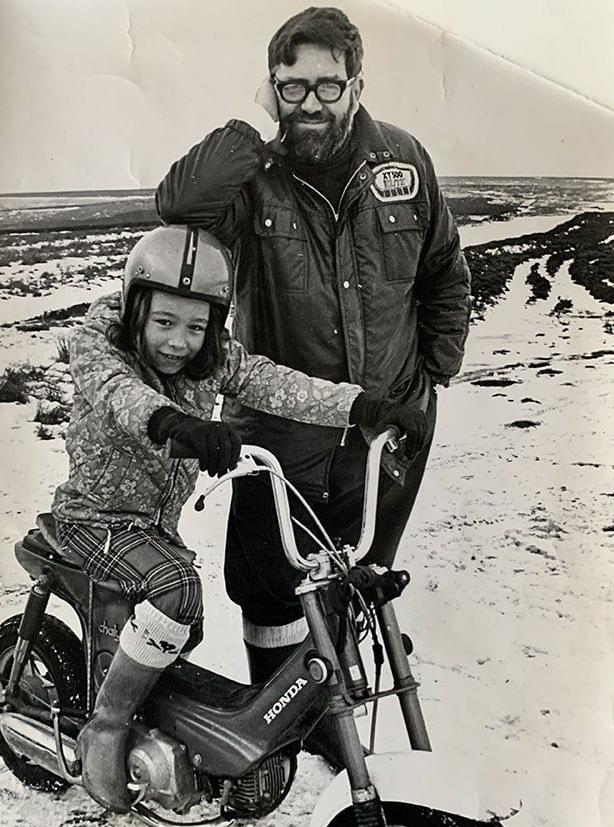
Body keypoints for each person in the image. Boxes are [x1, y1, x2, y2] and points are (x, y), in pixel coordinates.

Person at [154, 7, 471, 751]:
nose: (311, 105)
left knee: (358, 574)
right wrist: (249, 121)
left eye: (329, 87)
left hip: (386, 430)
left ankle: (340, 701)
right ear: (271, 90)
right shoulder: (253, 177)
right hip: (280, 436)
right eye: (290, 88)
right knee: (270, 587)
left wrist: (433, 377)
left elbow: (444, 274)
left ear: (357, 84)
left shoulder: (403, 160)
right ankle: (287, 729)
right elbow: (177, 205)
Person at [51, 223, 424, 811]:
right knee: (177, 590)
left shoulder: (211, 360)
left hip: (155, 525)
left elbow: (272, 383)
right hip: (95, 517)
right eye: (165, 323)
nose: (180, 342)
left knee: (188, 617)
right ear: (134, 308)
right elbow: (121, 396)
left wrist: (360, 406)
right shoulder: (101, 346)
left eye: (197, 327)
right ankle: (106, 724)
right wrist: (175, 423)